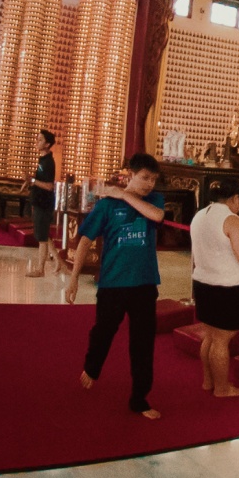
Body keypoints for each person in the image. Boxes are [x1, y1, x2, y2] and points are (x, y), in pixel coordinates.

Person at [65, 153, 166, 420]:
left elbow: (156, 216)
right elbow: (85, 240)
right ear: (129, 175)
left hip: (144, 283)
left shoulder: (153, 200)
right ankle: (92, 367)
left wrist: (123, 195)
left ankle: (139, 398)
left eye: (153, 180)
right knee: (103, 331)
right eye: (144, 178)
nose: (149, 184)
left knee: (143, 343)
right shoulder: (106, 206)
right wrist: (74, 277)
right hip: (113, 283)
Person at [189, 177, 239, 398]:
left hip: (202, 283)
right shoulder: (231, 219)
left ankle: (208, 381)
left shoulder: (200, 215)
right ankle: (222, 388)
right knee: (222, 341)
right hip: (225, 287)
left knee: (210, 336)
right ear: (235, 198)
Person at [26, 129, 62, 278]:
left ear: (47, 144)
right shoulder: (42, 160)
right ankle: (58, 261)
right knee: (43, 234)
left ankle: (40, 269)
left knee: (41, 238)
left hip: (44, 203)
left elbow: (49, 186)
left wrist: (33, 181)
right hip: (38, 200)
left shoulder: (48, 162)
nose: (37, 142)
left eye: (40, 140)